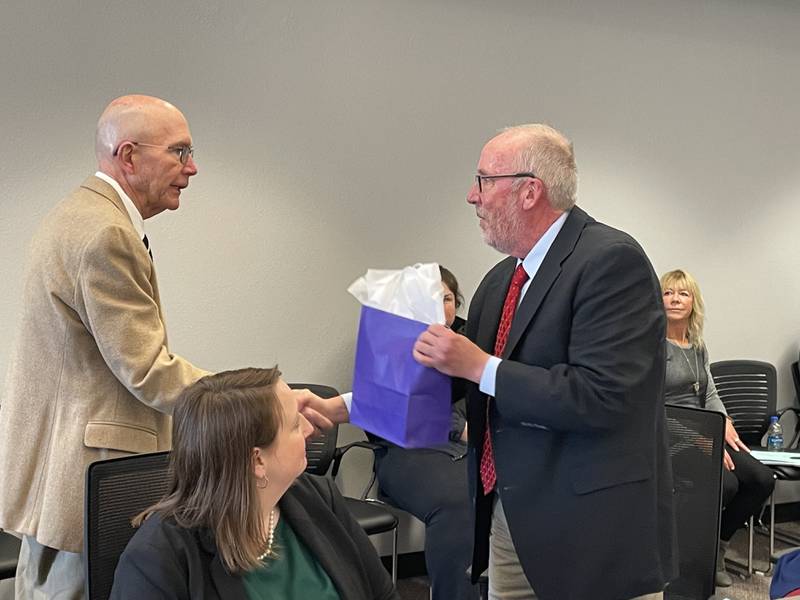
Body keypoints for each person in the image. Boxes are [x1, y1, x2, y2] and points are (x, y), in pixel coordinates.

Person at [411, 124, 676, 600]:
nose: (473, 196)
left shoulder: (611, 261)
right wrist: (346, 407)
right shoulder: (502, 278)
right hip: (511, 518)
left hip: (592, 531)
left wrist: (479, 366)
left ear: (529, 191)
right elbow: (463, 380)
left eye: (484, 180)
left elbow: (602, 396)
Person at [0, 95, 209, 598]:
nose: (192, 167)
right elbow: (148, 370)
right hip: (88, 470)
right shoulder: (106, 233)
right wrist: (243, 397)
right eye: (179, 152)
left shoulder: (80, 214)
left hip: (65, 464)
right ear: (129, 156)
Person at [110, 367, 398, 600]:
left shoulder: (318, 499)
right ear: (257, 461)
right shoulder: (158, 559)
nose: (311, 429)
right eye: (295, 425)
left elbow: (382, 594)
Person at [661, 268, 775, 587]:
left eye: (683, 293)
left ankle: (717, 549)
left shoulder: (696, 344)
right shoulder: (652, 345)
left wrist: (723, 422)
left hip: (705, 433)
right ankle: (693, 557)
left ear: (693, 302)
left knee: (761, 479)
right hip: (672, 437)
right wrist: (702, 437)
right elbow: (653, 407)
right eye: (668, 292)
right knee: (724, 485)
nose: (675, 299)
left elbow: (708, 391)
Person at [370, 266, 478, 600]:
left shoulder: (470, 338)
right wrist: (459, 427)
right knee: (461, 499)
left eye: (446, 298)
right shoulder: (389, 341)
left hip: (466, 448)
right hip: (406, 451)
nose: (440, 306)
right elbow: (399, 409)